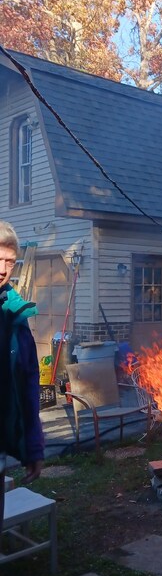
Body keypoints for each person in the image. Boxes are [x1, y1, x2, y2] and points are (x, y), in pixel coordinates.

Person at [0, 220, 44, 535]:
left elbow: (28, 384)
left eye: (9, 261)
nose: (3, 270)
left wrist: (34, 447)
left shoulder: (15, 314)